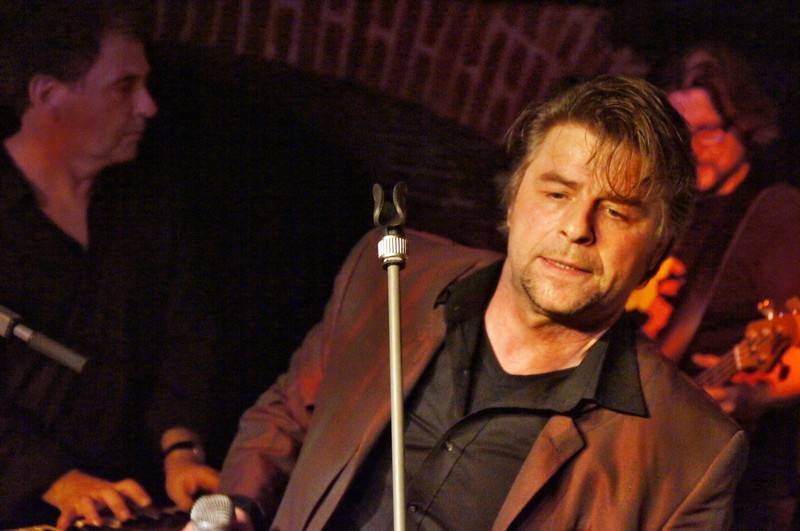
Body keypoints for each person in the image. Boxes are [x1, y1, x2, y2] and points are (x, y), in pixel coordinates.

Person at [217, 74, 747, 530]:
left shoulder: (695, 454)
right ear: (513, 201)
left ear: (658, 250)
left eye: (616, 211)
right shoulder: (389, 275)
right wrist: (238, 506)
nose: (576, 228)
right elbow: (290, 414)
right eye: (557, 193)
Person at [0, 1, 221, 527]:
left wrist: (180, 450)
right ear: (48, 96)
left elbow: (185, 342)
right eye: (125, 87)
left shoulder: (147, 206)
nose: (148, 106)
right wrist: (58, 481)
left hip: (130, 503)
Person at [626, 43, 800, 530]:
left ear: (746, 127)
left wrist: (755, 399)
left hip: (731, 477)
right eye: (680, 133)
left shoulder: (777, 215)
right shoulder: (670, 206)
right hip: (650, 451)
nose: (694, 147)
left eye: (710, 131)